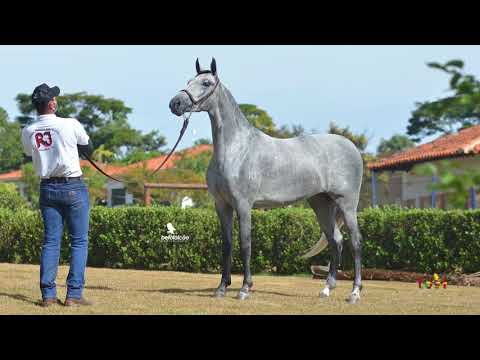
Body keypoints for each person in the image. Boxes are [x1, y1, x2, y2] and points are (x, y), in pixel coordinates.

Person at [21, 83, 93, 307]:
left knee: (51, 242)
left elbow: (28, 151)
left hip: (47, 188)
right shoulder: (69, 123)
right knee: (79, 241)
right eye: (54, 98)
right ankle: (73, 294)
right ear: (51, 103)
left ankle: (48, 295)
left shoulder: (28, 130)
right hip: (72, 186)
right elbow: (88, 147)